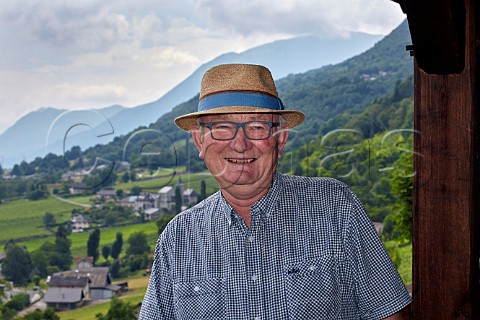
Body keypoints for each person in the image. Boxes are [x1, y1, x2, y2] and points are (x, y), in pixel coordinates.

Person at [139, 63, 411, 319]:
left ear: (280, 139)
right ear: (200, 140)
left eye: (257, 127)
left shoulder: (335, 206)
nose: (240, 144)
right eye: (222, 127)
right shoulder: (177, 238)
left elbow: (389, 313)